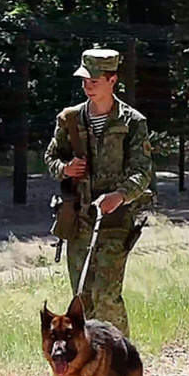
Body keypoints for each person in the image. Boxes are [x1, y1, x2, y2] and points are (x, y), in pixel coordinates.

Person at [43, 48, 155, 338]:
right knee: (83, 299)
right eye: (84, 80)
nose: (87, 86)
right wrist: (66, 169)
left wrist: (120, 195)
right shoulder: (70, 120)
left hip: (115, 222)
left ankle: (122, 357)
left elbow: (142, 172)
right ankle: (93, 362)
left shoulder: (132, 122)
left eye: (94, 80)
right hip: (78, 220)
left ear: (112, 80)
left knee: (107, 295)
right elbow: (51, 159)